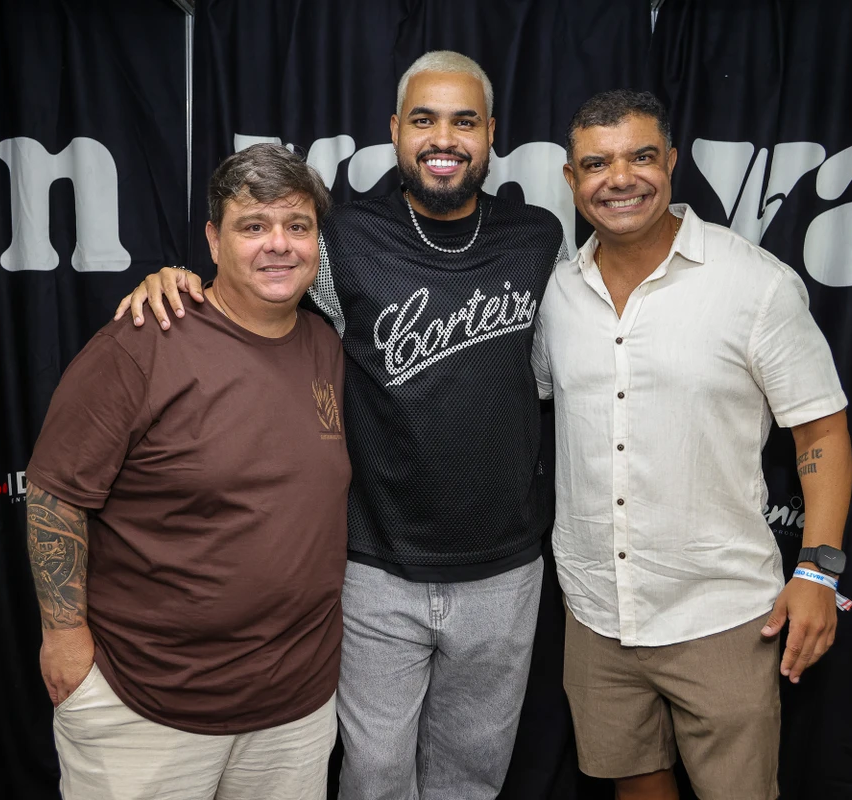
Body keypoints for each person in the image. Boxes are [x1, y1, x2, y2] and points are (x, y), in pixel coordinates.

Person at [115, 51, 566, 800]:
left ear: (492, 133)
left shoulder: (539, 237)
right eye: (423, 119)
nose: (443, 138)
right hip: (373, 568)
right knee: (374, 777)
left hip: (503, 571)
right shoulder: (343, 238)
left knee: (472, 779)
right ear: (395, 130)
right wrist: (180, 281)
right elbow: (258, 297)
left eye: (463, 120)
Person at [532, 89, 852, 800]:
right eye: (596, 163)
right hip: (594, 612)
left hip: (722, 615)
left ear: (672, 161)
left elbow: (821, 430)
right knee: (634, 785)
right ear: (570, 179)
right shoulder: (556, 295)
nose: (620, 178)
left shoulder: (755, 286)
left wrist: (819, 572)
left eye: (641, 156)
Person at [24, 143, 349, 800]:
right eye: (253, 226)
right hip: (145, 703)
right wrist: (62, 636)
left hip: (294, 708)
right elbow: (56, 494)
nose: (278, 245)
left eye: (297, 225)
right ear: (214, 239)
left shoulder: (325, 344)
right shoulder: (144, 339)